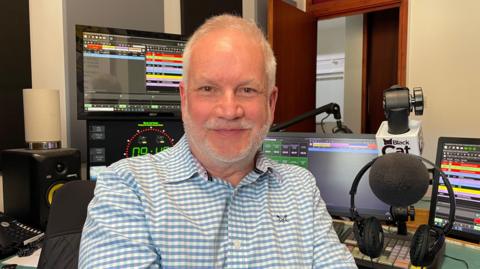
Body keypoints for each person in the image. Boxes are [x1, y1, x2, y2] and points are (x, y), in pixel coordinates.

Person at [79, 14, 357, 268]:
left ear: (271, 103)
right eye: (208, 89)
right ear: (185, 99)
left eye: (247, 90)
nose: (229, 110)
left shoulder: (300, 188)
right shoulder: (127, 188)